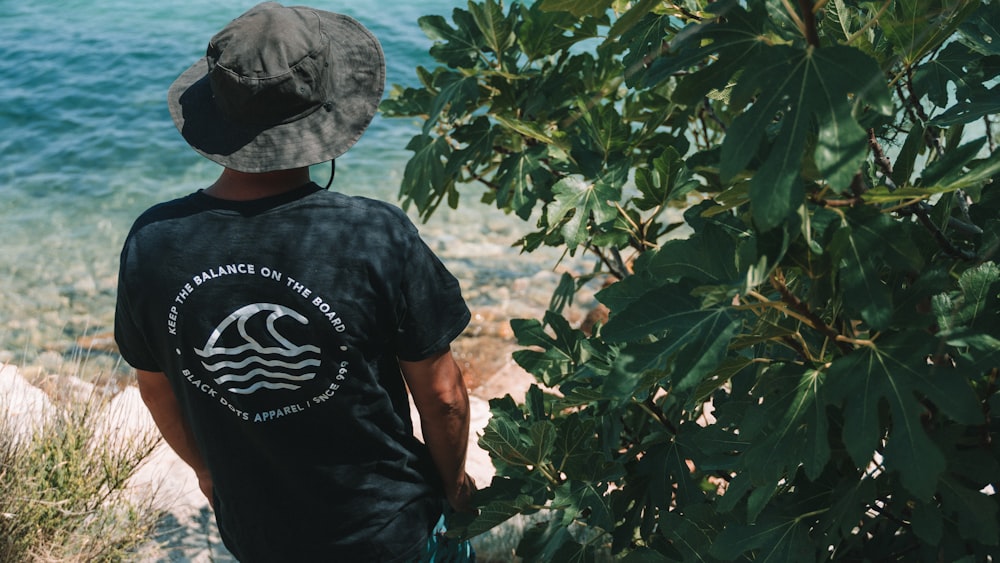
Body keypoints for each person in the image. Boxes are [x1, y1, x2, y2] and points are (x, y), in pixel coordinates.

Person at [114, 3, 476, 561]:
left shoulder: (153, 242)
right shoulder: (373, 234)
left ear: (217, 109)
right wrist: (453, 489)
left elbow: (156, 386)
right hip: (390, 533)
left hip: (258, 534)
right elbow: (444, 397)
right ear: (325, 114)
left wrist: (209, 475)